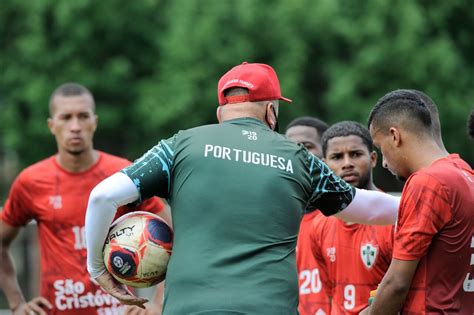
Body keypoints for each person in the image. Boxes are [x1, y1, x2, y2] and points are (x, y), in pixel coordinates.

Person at [84, 62, 400, 314]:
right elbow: (370, 208)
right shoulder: (298, 158)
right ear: (271, 111)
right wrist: (428, 200)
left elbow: (103, 196)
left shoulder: (180, 146)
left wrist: (98, 269)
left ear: (221, 111)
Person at [0, 83, 169, 315]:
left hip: (120, 311)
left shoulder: (123, 175)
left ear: (95, 122)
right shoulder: (31, 181)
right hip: (59, 310)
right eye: (66, 118)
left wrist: (159, 303)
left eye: (83, 116)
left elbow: (174, 235)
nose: (75, 126)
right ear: (52, 125)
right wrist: (17, 303)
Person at [362, 89, 474, 314]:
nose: (383, 163)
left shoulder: (428, 182)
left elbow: (397, 285)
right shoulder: (467, 174)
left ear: (395, 136)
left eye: (380, 148)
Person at [309, 121, 394, 314]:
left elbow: (400, 290)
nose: (347, 163)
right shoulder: (318, 225)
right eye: (337, 157)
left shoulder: (394, 218)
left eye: (355, 154)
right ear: (324, 165)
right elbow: (331, 291)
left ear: (373, 158)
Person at [285, 117, 332, 315]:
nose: (297, 153)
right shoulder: (273, 218)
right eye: (290, 146)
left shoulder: (343, 217)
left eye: (306, 146)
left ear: (326, 157)